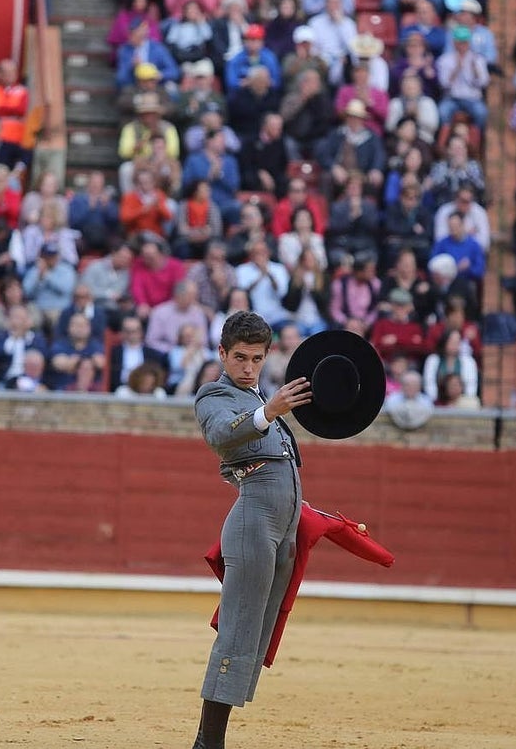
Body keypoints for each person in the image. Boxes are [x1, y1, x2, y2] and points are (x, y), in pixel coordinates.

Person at [189, 310, 310, 749]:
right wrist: (268, 411)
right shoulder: (213, 395)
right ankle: (208, 743)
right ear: (222, 354)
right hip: (253, 522)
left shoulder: (266, 399)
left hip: (282, 525)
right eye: (239, 357)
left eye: (256, 359)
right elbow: (222, 436)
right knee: (239, 630)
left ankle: (210, 738)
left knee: (256, 633)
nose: (247, 367)